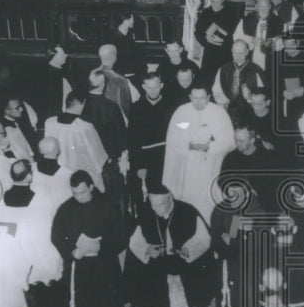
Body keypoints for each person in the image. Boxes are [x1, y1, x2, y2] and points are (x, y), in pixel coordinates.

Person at [126, 184, 215, 307]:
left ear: (170, 199)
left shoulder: (187, 212)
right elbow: (135, 241)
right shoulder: (146, 215)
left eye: (160, 205)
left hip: (185, 276)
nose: (156, 209)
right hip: (158, 276)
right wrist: (147, 250)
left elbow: (203, 238)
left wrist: (188, 250)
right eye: (153, 205)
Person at [51, 171, 125, 307]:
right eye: (75, 193)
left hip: (105, 264)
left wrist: (102, 246)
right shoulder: (66, 209)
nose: (79, 198)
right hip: (82, 266)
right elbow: (56, 236)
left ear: (91, 187)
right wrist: (72, 250)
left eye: (83, 192)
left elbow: (120, 236)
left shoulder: (106, 205)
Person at [0, 159, 68, 307]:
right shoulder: (39, 200)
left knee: (30, 302)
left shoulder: (2, 202)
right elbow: (50, 230)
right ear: (29, 177)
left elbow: (5, 230)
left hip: (16, 258)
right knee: (49, 297)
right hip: (39, 257)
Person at [163, 82, 235, 223]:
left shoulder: (219, 113)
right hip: (188, 169)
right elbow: (173, 140)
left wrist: (208, 147)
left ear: (208, 97)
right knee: (189, 200)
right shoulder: (181, 112)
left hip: (212, 167)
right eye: (194, 98)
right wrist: (194, 146)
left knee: (209, 201)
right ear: (189, 96)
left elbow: (230, 142)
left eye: (202, 98)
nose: (198, 102)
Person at [43, 91, 107, 192]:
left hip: (57, 173)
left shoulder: (50, 122)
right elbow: (97, 155)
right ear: (83, 103)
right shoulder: (84, 127)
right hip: (80, 175)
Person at [128, 70, 173, 200]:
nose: (152, 90)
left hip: (166, 157)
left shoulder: (171, 106)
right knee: (147, 196)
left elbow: (180, 127)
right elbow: (132, 139)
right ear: (143, 87)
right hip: (145, 160)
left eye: (156, 87)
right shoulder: (136, 108)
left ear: (162, 86)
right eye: (149, 87)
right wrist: (139, 164)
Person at [195, 0, 241, 90]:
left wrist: (222, 41)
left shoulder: (231, 15)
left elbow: (236, 35)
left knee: (225, 81)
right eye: (212, 1)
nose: (215, 4)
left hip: (225, 53)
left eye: (217, 1)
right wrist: (206, 39)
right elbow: (197, 32)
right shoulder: (205, 13)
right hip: (209, 54)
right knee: (207, 82)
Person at [211, 40, 266, 113]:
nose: (237, 56)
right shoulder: (223, 69)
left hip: (249, 109)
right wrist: (224, 102)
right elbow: (217, 90)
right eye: (235, 53)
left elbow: (261, 94)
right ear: (231, 51)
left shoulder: (256, 70)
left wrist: (249, 97)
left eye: (241, 53)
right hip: (227, 107)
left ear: (247, 52)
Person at [233, 0, 284, 69]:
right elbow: (236, 36)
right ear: (256, 6)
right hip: (250, 58)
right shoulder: (246, 20)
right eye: (260, 5)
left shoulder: (278, 21)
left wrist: (271, 43)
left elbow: (283, 41)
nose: (263, 8)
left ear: (270, 6)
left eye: (266, 5)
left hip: (271, 60)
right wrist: (252, 40)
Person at [96, 44, 135, 123]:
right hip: (114, 121)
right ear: (113, 57)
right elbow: (125, 107)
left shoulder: (92, 75)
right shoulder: (119, 80)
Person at [31, 136, 73, 209]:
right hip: (57, 212)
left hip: (35, 209)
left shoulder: (31, 168)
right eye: (58, 146)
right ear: (55, 150)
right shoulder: (67, 173)